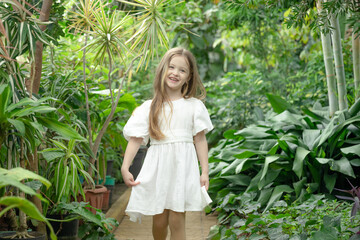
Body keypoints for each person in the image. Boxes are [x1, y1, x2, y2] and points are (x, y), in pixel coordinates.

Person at [121, 47, 213, 240]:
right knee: (160, 221)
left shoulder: (194, 106)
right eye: (171, 67)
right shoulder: (150, 107)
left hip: (183, 168)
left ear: (189, 77)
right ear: (163, 69)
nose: (175, 73)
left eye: (182, 70)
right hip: (159, 170)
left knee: (177, 220)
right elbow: (136, 138)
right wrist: (125, 167)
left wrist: (204, 171)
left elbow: (200, 139)